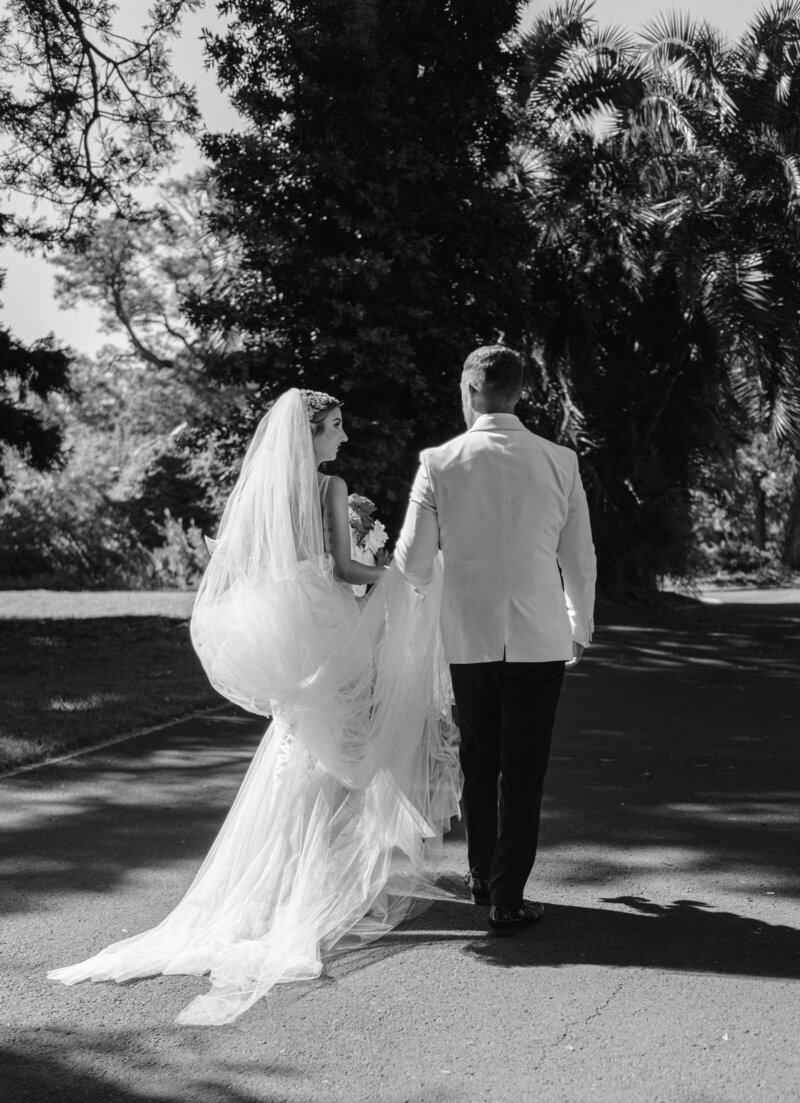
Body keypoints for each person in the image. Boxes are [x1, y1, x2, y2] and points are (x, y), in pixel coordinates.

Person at [49, 388, 459, 1025]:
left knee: (303, 757)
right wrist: (401, 577)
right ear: (312, 433)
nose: (343, 437)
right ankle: (314, 890)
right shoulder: (330, 487)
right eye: (336, 426)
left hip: (300, 631)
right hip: (333, 633)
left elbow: (280, 564)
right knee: (346, 761)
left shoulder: (274, 493)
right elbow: (348, 571)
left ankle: (285, 884)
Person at [394, 346, 596, 937]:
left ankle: (482, 875)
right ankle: (507, 894)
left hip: (467, 638)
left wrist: (427, 591)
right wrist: (577, 625)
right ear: (518, 392)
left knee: (478, 762)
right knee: (524, 769)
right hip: (538, 637)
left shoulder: (439, 461)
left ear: (468, 391)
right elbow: (579, 560)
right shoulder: (561, 461)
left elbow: (411, 560)